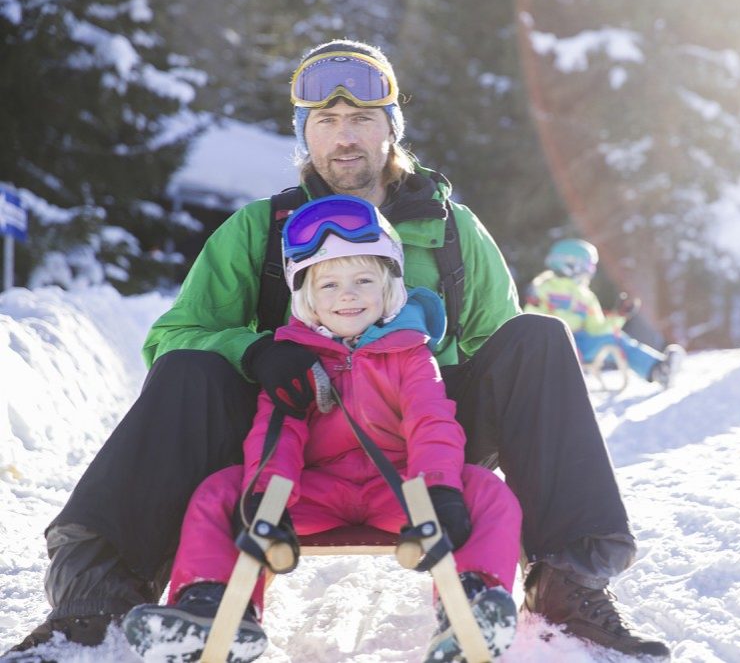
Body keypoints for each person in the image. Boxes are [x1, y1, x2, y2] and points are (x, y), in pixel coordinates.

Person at [6, 39, 669, 660]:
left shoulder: (451, 232)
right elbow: (171, 337)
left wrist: (424, 392)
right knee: (189, 368)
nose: (344, 135)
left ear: (390, 127)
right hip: (291, 435)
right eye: (324, 119)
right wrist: (255, 350)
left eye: (361, 117)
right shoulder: (259, 231)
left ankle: (568, 583)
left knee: (538, 337)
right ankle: (95, 600)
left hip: (419, 430)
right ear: (304, 133)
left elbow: (502, 348)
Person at [120, 195, 522, 662]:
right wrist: (266, 496)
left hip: (401, 491)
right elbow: (279, 430)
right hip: (314, 492)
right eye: (328, 283)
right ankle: (210, 607)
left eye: (363, 280)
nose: (347, 295)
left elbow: (430, 420)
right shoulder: (295, 359)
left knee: (485, 489)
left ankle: (474, 603)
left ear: (390, 287)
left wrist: (439, 490)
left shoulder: (410, 353)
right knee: (219, 492)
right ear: (306, 296)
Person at [524, 238, 684, 387]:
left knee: (615, 339)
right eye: (588, 265)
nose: (591, 271)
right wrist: (534, 303)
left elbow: (597, 328)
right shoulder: (544, 288)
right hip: (551, 344)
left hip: (582, 343)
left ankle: (658, 370)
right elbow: (530, 321)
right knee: (554, 342)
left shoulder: (586, 296)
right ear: (570, 264)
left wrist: (620, 316)